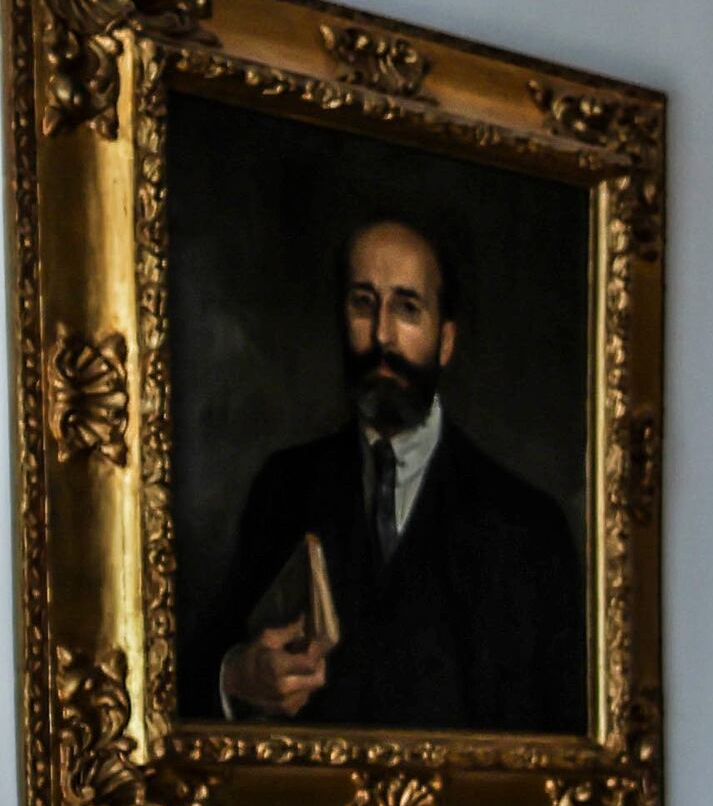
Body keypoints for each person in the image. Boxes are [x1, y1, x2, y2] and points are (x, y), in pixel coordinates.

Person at [189, 215, 582, 732]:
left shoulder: (530, 527)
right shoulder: (284, 486)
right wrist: (239, 677)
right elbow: (188, 680)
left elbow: (568, 736)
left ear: (445, 341)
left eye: (407, 308)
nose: (382, 337)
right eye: (362, 303)